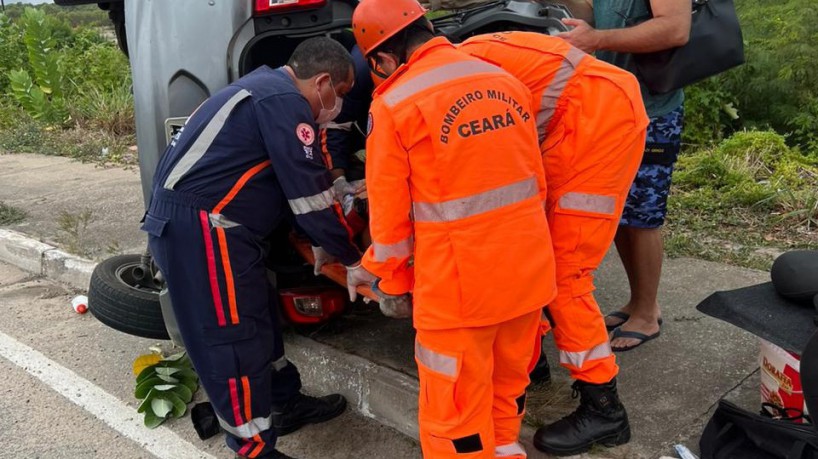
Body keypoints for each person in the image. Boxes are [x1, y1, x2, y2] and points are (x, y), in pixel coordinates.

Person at [142, 37, 376, 459]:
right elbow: (309, 200)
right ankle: (253, 449)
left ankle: (283, 402)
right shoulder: (283, 102)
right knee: (233, 339)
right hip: (203, 228)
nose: (338, 107)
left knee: (259, 320)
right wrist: (351, 257)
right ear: (322, 81)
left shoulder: (267, 90)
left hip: (219, 227)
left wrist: (319, 235)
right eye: (339, 95)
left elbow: (294, 179)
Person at [350, 1, 558, 457]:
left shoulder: (395, 104)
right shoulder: (504, 81)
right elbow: (534, 183)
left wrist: (390, 281)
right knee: (508, 388)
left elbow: (388, 225)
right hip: (528, 276)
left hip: (460, 293)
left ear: (382, 59)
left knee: (454, 416)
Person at [460, 31, 648, 455]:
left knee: (565, 273)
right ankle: (532, 362)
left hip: (599, 120)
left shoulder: (442, 82)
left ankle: (605, 410)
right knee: (532, 249)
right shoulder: (454, 63)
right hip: (580, 117)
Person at [559, 0, 691, 352]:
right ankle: (636, 302)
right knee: (619, 211)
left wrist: (598, 39)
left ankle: (648, 312)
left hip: (653, 112)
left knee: (644, 218)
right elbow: (592, 18)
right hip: (615, 105)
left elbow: (675, 29)